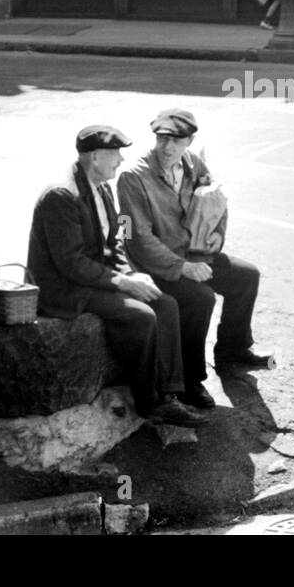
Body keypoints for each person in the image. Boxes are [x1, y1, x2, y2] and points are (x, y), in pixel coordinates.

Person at [26, 125, 208, 428]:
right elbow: (71, 263)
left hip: (94, 277)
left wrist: (133, 275)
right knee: (142, 316)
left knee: (165, 304)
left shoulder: (101, 186)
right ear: (95, 157)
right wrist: (122, 282)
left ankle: (171, 392)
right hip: (65, 288)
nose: (121, 160)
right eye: (115, 154)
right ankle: (150, 402)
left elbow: (115, 245)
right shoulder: (62, 195)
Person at [117, 108, 273, 406]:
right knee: (199, 298)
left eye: (176, 140)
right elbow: (137, 239)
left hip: (194, 253)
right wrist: (182, 267)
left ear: (189, 140)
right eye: (162, 139)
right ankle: (188, 380)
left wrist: (217, 234)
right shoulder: (133, 176)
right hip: (156, 265)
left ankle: (232, 351)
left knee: (246, 276)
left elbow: (215, 200)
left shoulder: (193, 163)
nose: (167, 147)